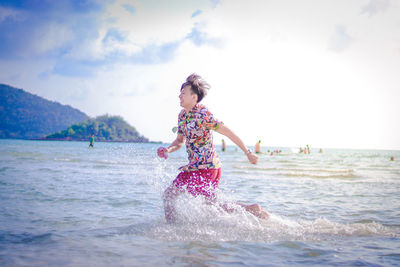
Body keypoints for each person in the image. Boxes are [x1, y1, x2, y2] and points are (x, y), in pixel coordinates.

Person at [157, 73, 269, 223]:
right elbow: (179, 141)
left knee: (170, 195)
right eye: (180, 93)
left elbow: (227, 132)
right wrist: (168, 150)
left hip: (207, 168)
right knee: (211, 204)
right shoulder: (182, 116)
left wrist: (247, 152)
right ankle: (251, 210)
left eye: (183, 93)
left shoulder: (203, 114)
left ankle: (173, 227)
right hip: (198, 167)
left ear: (194, 97)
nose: (179, 96)